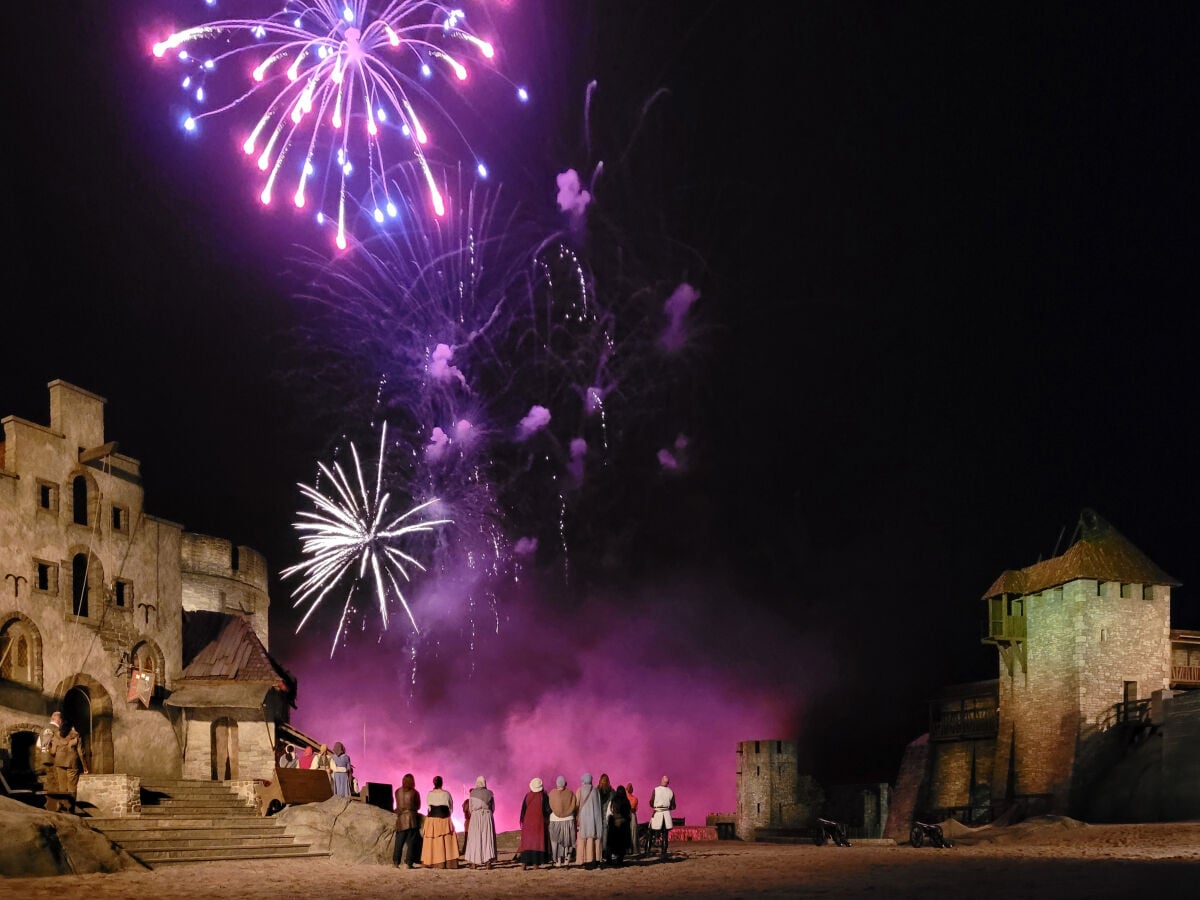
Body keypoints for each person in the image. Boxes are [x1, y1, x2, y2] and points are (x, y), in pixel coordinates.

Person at [420, 775, 459, 868]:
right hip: (444, 819)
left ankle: (432, 861)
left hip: (432, 820)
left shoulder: (430, 794)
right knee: (446, 840)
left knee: (433, 841)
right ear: (442, 783)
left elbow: (428, 807)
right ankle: (447, 862)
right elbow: (451, 807)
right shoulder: (446, 794)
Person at [48, 721, 88, 814]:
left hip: (59, 762)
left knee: (62, 787)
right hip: (72, 762)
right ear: (71, 727)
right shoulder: (76, 735)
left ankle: (64, 808)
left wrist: (50, 747)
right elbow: (81, 752)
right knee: (72, 787)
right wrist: (85, 766)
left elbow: (53, 752)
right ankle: (71, 808)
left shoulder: (56, 735)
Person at [517, 777, 552, 869]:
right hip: (538, 822)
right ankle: (536, 864)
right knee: (537, 842)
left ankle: (524, 863)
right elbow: (547, 810)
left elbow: (523, 810)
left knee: (527, 842)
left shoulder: (527, 795)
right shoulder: (543, 796)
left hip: (528, 822)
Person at [464, 775, 497, 869]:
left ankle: (474, 863)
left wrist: (475, 813)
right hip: (487, 816)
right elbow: (493, 808)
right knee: (487, 838)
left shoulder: (472, 793)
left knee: (475, 838)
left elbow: (470, 808)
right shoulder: (490, 793)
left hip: (475, 816)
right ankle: (488, 862)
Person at [547, 774, 578, 866]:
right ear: (565, 783)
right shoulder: (571, 793)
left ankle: (558, 860)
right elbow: (574, 805)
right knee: (568, 840)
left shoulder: (552, 793)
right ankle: (567, 860)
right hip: (569, 819)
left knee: (557, 840)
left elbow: (550, 805)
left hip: (555, 820)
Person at [575, 773, 604, 869]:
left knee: (583, 839)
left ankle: (584, 860)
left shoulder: (580, 790)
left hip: (583, 819)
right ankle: (595, 859)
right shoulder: (596, 790)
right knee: (594, 838)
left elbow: (576, 805)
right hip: (595, 819)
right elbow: (599, 805)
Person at [393, 773, 421, 868]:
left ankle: (396, 862)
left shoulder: (397, 791)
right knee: (411, 843)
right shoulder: (415, 792)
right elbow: (418, 806)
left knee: (399, 843)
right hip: (412, 819)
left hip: (401, 819)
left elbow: (397, 804)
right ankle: (409, 863)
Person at [37, 711, 62, 807]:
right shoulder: (57, 730)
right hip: (54, 759)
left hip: (44, 758)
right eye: (61, 721)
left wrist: (45, 752)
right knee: (56, 783)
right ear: (59, 720)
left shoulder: (43, 730)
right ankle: (53, 806)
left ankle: (49, 804)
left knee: (49, 782)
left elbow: (38, 745)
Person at [649, 775, 676, 859]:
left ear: (661, 781)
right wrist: (667, 807)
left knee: (650, 833)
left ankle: (647, 851)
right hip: (666, 815)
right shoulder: (671, 791)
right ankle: (664, 853)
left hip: (657, 814)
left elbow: (651, 802)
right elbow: (673, 806)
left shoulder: (656, 790)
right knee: (665, 835)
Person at [605, 784, 633, 866]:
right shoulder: (627, 802)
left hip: (614, 825)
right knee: (622, 844)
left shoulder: (612, 801)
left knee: (610, 844)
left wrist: (609, 823)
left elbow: (608, 813)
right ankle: (620, 860)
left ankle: (609, 861)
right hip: (623, 825)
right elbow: (629, 815)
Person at [597, 773, 614, 859]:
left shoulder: (596, 791)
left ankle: (599, 852)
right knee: (606, 833)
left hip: (598, 814)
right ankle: (605, 852)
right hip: (608, 814)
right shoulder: (611, 791)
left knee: (599, 833)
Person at [626, 782, 640, 854]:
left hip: (626, 815)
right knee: (633, 832)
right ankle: (634, 849)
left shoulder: (624, 797)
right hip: (632, 815)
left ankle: (628, 850)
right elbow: (634, 809)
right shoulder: (635, 799)